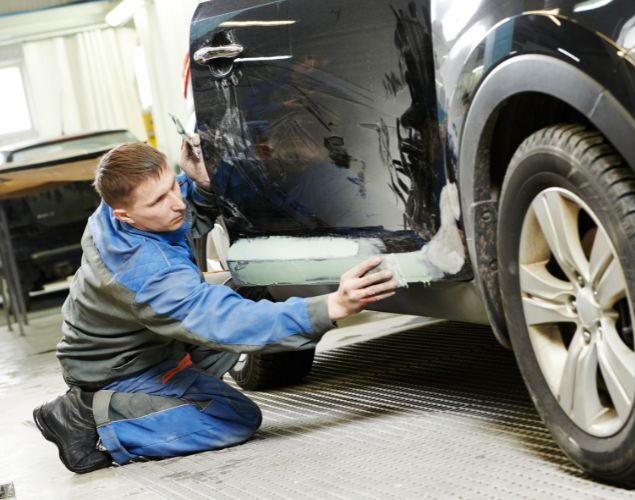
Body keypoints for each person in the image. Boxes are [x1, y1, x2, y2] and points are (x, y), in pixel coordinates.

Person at [32, 136, 398, 473]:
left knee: (250, 293)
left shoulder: (118, 212)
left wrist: (199, 186)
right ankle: (86, 416)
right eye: (158, 201)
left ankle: (142, 394)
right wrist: (330, 307)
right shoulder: (146, 274)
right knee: (233, 416)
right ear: (124, 216)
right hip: (118, 368)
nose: (176, 203)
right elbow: (224, 321)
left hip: (144, 341)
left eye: (172, 186)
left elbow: (178, 219)